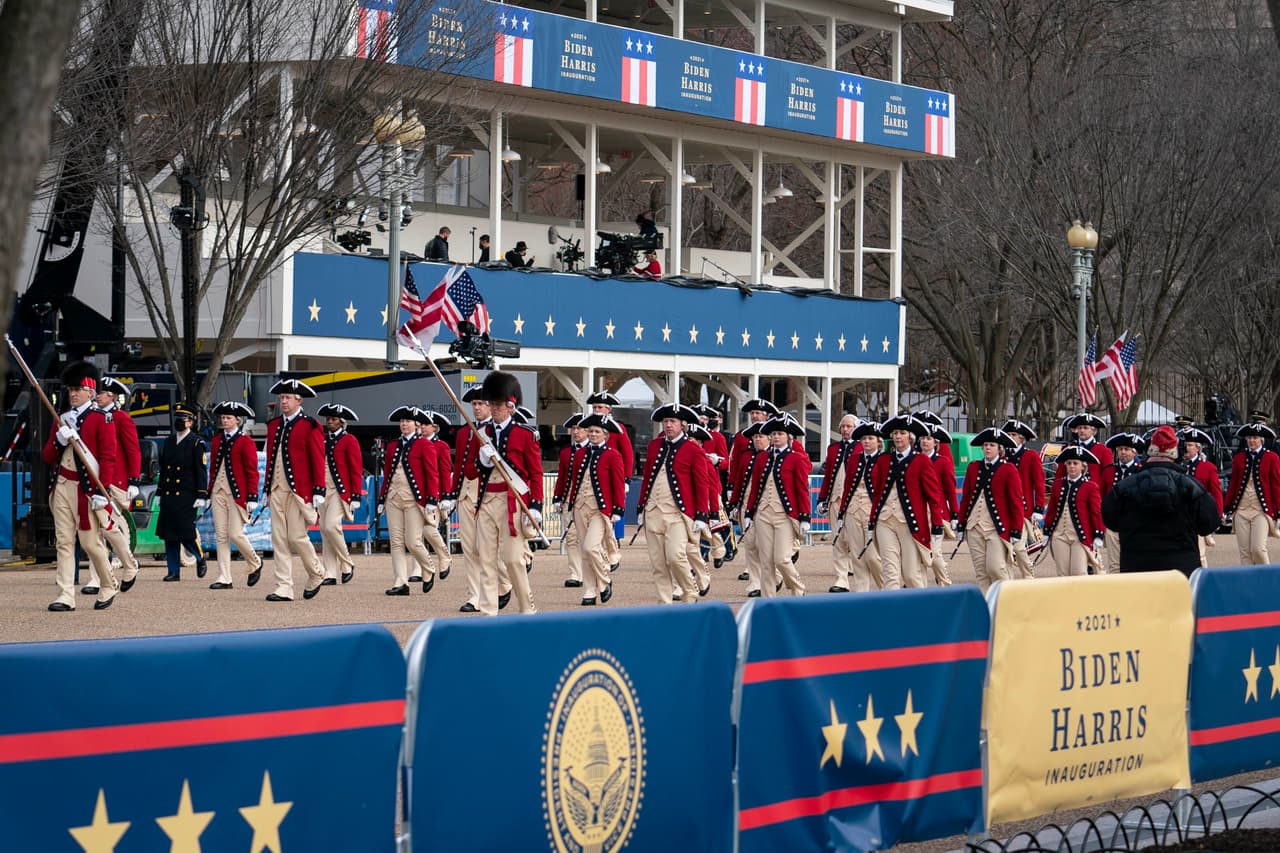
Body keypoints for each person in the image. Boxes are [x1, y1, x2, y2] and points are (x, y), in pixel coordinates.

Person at [42, 361, 121, 611]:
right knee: (63, 542)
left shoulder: (101, 419)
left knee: (90, 543)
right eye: (70, 389)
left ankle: (108, 583)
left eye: (77, 389)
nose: (73, 393)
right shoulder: (62, 419)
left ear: (90, 391)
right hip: (62, 486)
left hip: (86, 489)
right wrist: (57, 439)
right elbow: (47, 457)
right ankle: (65, 594)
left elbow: (108, 457)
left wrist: (102, 491)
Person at [1102, 425, 1221, 575]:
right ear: (1176, 452)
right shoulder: (1192, 488)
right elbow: (1209, 524)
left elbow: (1110, 519)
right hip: (1181, 570)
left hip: (1137, 568)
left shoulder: (1125, 487)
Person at [470, 370, 543, 614]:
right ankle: (488, 612)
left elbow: (535, 473)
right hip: (487, 500)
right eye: (491, 403)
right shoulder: (481, 434)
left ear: (510, 406)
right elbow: (470, 471)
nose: (493, 408)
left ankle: (527, 608)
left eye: (498, 404)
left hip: (513, 502)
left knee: (512, 559)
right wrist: (482, 460)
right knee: (486, 560)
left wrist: (536, 505)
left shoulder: (524, 434)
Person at [445, 387, 513, 613]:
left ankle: (504, 583)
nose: (477, 408)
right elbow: (459, 465)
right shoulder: (465, 432)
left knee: (488, 547)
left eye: (481, 403)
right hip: (466, 492)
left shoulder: (493, 431)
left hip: (487, 493)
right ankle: (475, 596)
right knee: (469, 547)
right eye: (473, 404)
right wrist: (452, 493)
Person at [636, 403, 709, 604]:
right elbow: (647, 477)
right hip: (653, 511)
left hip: (678, 514)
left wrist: (702, 515)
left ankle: (690, 592)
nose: (668, 425)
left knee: (676, 556)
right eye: (666, 421)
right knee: (658, 563)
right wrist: (641, 505)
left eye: (673, 421)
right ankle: (664, 602)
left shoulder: (693, 450)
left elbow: (701, 484)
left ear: (682, 425)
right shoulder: (654, 446)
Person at [262, 379, 326, 602]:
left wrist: (319, 490)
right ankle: (283, 587)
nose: (284, 401)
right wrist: (266, 488)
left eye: (288, 397)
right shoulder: (274, 425)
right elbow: (272, 459)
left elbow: (318, 459)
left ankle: (316, 571)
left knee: (297, 537)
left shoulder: (310, 425)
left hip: (300, 491)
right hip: (277, 489)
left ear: (299, 400)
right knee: (278, 538)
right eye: (282, 398)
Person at [868, 414, 944, 589]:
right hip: (885, 521)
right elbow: (878, 494)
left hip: (911, 524)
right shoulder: (884, 460)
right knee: (890, 573)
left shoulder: (921, 460)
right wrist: (872, 521)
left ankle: (921, 611)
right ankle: (892, 613)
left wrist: (937, 525)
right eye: (895, 433)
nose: (897, 437)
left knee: (911, 574)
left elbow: (933, 496)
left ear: (910, 437)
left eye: (902, 433)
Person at [84, 376, 141, 595]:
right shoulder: (93, 417)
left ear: (112, 396)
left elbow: (132, 449)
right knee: (96, 530)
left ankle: (127, 563)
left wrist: (133, 479)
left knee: (112, 527)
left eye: (102, 393)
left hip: (116, 480)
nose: (97, 395)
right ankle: (97, 577)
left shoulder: (121, 418)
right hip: (97, 479)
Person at [743, 416, 810, 597]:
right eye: (773, 434)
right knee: (766, 561)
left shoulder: (797, 459)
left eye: (780, 434)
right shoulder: (762, 458)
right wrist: (749, 513)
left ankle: (797, 587)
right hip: (763, 513)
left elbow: (802, 489)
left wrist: (804, 517)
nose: (775, 437)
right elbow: (755, 487)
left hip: (785, 516)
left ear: (788, 437)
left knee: (781, 559)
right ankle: (768, 599)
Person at [566, 414, 626, 605]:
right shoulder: (580, 454)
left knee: (591, 547)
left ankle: (604, 580)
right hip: (580, 506)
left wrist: (618, 509)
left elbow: (617, 484)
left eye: (596, 431)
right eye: (590, 431)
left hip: (601, 510)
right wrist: (569, 504)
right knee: (584, 552)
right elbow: (574, 481)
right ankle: (589, 591)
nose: (592, 434)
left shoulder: (613, 455)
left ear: (605, 435)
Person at [378, 407, 438, 595]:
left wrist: (431, 500)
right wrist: (382, 497)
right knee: (396, 542)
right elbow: (387, 473)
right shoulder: (393, 445)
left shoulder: (424, 445)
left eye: (408, 421)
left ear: (416, 425)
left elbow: (432, 474)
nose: (404, 424)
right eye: (402, 421)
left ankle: (428, 568)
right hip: (394, 497)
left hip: (414, 499)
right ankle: (400, 582)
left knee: (413, 541)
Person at [958, 428, 1024, 591]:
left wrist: (1016, 531)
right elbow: (966, 498)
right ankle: (987, 608)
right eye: (985, 445)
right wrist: (961, 524)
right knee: (981, 572)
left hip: (997, 528)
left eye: (992, 445)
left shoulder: (1008, 469)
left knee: (996, 568)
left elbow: (1016, 502)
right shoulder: (973, 467)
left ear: (999, 448)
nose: (987, 448)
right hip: (974, 526)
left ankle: (1006, 602)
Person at [207, 401, 263, 590]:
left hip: (237, 494)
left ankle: (255, 562)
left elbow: (251, 471)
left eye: (228, 418)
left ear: (237, 420)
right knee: (221, 536)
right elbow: (214, 468)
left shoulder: (245, 441)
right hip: (217, 492)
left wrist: (253, 496)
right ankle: (224, 577)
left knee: (235, 534)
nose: (225, 420)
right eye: (223, 417)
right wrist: (209, 491)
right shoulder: (216, 441)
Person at [156, 402, 208, 585]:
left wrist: (202, 495)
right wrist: (159, 492)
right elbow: (164, 469)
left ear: (190, 423)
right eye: (177, 419)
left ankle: (200, 557)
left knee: (185, 531)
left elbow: (201, 470)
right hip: (170, 493)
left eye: (182, 419)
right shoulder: (169, 441)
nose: (179, 422)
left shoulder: (196, 442)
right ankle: (173, 571)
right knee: (169, 533)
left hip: (187, 494)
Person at [834, 421, 884, 593]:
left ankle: (887, 589)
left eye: (870, 438)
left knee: (872, 556)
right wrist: (841, 513)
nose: (866, 442)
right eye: (864, 438)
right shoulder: (854, 459)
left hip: (872, 510)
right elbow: (848, 486)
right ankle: (862, 594)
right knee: (857, 555)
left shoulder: (884, 460)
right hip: (852, 509)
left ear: (879, 441)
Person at [317, 402, 363, 586]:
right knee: (324, 532)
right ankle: (330, 572)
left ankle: (347, 562)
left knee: (331, 526)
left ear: (342, 422)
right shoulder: (322, 439)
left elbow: (355, 469)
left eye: (334, 419)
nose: (330, 422)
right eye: (328, 419)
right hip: (323, 490)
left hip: (339, 490)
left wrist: (356, 495)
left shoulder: (349, 440)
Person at [586, 390, 633, 572]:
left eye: (600, 407)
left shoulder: (617, 428)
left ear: (609, 409)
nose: (597, 410)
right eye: (595, 407)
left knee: (609, 519)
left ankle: (612, 550)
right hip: (593, 480)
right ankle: (607, 553)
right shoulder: (588, 426)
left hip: (613, 478)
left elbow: (627, 454)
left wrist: (625, 480)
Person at [1223, 421, 1280, 565]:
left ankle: (1268, 580)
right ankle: (1248, 585)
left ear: (1261, 439)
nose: (1251, 441)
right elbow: (1233, 485)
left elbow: (1276, 486)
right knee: (1245, 553)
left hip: (1261, 510)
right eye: (1248, 438)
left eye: (1254, 438)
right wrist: (1227, 507)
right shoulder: (1239, 458)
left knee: (1258, 549)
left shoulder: (1272, 457)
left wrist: (1278, 510)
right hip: (1241, 510)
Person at [1043, 446, 1104, 577]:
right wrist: (1046, 531)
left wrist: (1098, 534)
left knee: (1078, 572)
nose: (1071, 466)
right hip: (1059, 535)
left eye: (1075, 463)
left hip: (1080, 536)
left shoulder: (1090, 487)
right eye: (1069, 463)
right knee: (1062, 573)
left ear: (1083, 466)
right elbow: (1052, 510)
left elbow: (1096, 512)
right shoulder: (1058, 484)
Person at [818, 414, 862, 593]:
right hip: (836, 500)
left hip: (855, 502)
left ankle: (861, 579)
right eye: (843, 426)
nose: (845, 429)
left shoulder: (862, 447)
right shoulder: (833, 448)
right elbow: (828, 475)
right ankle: (841, 579)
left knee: (856, 542)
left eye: (849, 426)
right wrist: (823, 498)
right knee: (838, 540)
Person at [1001, 419, 1046, 579]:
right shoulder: (1002, 457)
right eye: (1008, 434)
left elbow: (1039, 483)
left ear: (1021, 438)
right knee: (1004, 548)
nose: (1010, 437)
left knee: (1019, 547)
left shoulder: (1030, 456)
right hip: (1002, 509)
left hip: (1023, 510)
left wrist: (1039, 508)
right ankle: (1008, 578)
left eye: (1013, 434)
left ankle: (1028, 576)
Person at [417, 409, 454, 584]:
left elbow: (444, 472)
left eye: (426, 424)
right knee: (415, 533)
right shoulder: (416, 444)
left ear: (435, 427)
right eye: (421, 424)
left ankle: (444, 555)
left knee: (427, 528)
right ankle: (419, 568)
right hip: (417, 494)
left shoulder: (441, 446)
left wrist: (446, 496)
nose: (422, 427)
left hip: (435, 495)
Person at [1180, 426, 1224, 565]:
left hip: (1198, 515)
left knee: (1199, 555)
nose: (1187, 448)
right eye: (1186, 444)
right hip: (1181, 515)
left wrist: (1218, 514)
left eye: (1191, 445)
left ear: (1198, 448)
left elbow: (1216, 492)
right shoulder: (1179, 467)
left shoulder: (1208, 468)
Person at [1100, 432, 1144, 572]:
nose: (1123, 452)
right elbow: (1101, 498)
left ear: (1134, 451)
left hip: (1135, 526)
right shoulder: (1109, 471)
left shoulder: (1142, 471)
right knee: (1114, 566)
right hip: (1113, 526)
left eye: (1126, 449)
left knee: (1134, 564)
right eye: (1120, 449)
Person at [553, 414, 588, 589]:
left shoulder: (593, 450)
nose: (576, 431)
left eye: (580, 428)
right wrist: (557, 498)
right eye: (574, 428)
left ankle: (596, 570)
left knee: (589, 540)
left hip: (589, 502)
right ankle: (576, 573)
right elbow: (562, 478)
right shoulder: (566, 452)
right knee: (572, 538)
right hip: (569, 500)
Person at [919, 424, 956, 586]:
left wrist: (954, 514)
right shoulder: (914, 459)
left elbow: (950, 490)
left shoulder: (943, 462)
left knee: (934, 552)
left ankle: (944, 582)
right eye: (922, 438)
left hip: (937, 513)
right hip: (918, 512)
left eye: (928, 439)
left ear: (936, 443)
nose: (925, 442)